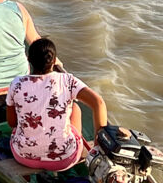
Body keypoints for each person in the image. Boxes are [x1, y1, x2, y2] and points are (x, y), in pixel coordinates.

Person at [6, 37, 107, 172]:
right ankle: (73, 145)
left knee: (22, 125)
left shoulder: (17, 83)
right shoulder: (67, 80)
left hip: (23, 156)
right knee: (75, 108)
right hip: (64, 160)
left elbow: (12, 123)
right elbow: (98, 103)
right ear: (54, 61)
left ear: (28, 59)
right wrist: (98, 146)